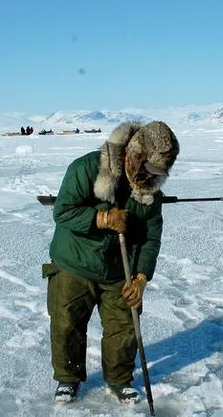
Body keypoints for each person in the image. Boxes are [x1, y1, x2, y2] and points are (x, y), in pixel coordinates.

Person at [42, 120, 180, 405]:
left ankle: (119, 379)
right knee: (67, 324)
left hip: (119, 267)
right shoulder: (86, 168)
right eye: (149, 169)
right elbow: (63, 212)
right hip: (75, 260)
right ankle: (68, 378)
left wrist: (141, 277)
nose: (150, 178)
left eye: (159, 173)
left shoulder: (149, 191)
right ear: (134, 155)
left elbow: (150, 238)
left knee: (124, 325)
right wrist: (101, 218)